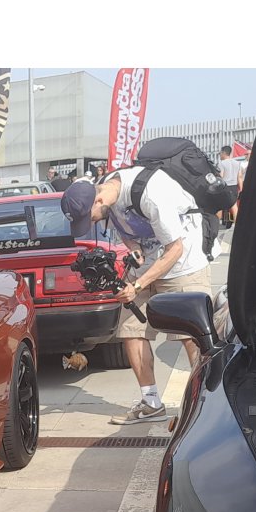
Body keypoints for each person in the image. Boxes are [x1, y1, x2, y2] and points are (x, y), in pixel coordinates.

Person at [61, 170, 211, 425]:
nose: (94, 224)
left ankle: (207, 403)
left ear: (99, 201)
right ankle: (151, 403)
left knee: (191, 336)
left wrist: (139, 285)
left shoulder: (151, 193)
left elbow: (176, 248)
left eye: (91, 219)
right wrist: (135, 251)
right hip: (146, 269)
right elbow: (126, 233)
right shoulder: (107, 200)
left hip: (184, 265)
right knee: (131, 330)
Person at [217, 145, 242, 228]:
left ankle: (217, 224)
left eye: (220, 153)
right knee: (234, 207)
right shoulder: (237, 163)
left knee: (219, 206)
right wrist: (241, 189)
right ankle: (237, 226)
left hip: (225, 187)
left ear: (224, 153)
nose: (220, 155)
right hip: (234, 187)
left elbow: (221, 176)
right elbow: (240, 177)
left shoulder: (222, 163)